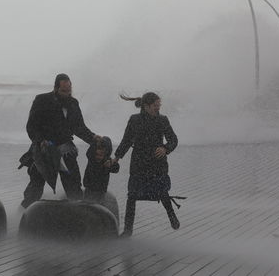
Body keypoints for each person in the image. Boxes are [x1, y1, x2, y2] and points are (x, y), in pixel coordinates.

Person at [20, 73, 100, 209]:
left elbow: (79, 127)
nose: (66, 93)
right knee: (36, 185)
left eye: (69, 90)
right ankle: (24, 213)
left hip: (65, 149)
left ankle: (78, 214)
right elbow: (31, 126)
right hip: (44, 149)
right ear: (56, 88)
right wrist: (40, 141)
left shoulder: (73, 103)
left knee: (74, 185)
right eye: (63, 91)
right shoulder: (42, 100)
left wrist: (93, 138)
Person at [107, 92, 179, 237]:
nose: (158, 109)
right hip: (139, 163)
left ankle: (172, 216)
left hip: (157, 163)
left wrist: (165, 148)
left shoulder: (162, 120)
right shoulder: (134, 120)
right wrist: (117, 158)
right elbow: (126, 140)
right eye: (155, 106)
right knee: (132, 196)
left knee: (162, 193)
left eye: (159, 106)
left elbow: (173, 139)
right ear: (146, 106)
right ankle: (128, 230)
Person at [83, 136, 119, 202]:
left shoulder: (108, 161)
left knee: (100, 205)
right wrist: (95, 141)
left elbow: (116, 169)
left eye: (101, 155)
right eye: (96, 154)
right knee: (87, 204)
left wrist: (111, 163)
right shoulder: (91, 158)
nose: (98, 157)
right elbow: (89, 152)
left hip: (101, 191)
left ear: (106, 153)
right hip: (89, 188)